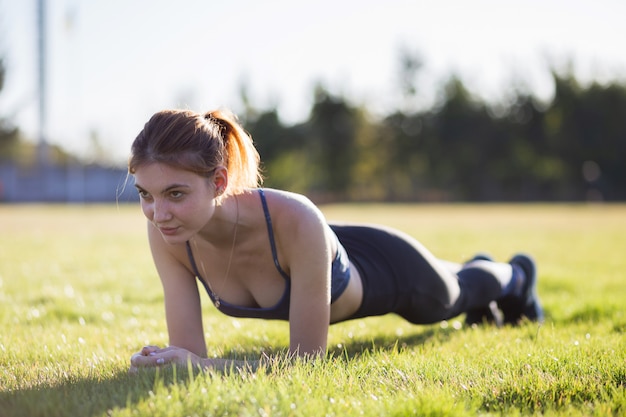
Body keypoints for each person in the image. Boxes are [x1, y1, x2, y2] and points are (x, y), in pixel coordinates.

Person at [127, 109, 543, 373]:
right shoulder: (168, 233)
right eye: (146, 194)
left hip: (384, 268)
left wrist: (205, 368)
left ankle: (516, 276)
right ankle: (482, 275)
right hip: (320, 245)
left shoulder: (295, 218)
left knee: (452, 297)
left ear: (218, 182)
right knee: (460, 285)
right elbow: (188, 357)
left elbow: (306, 366)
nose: (158, 213)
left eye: (176, 194)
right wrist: (169, 362)